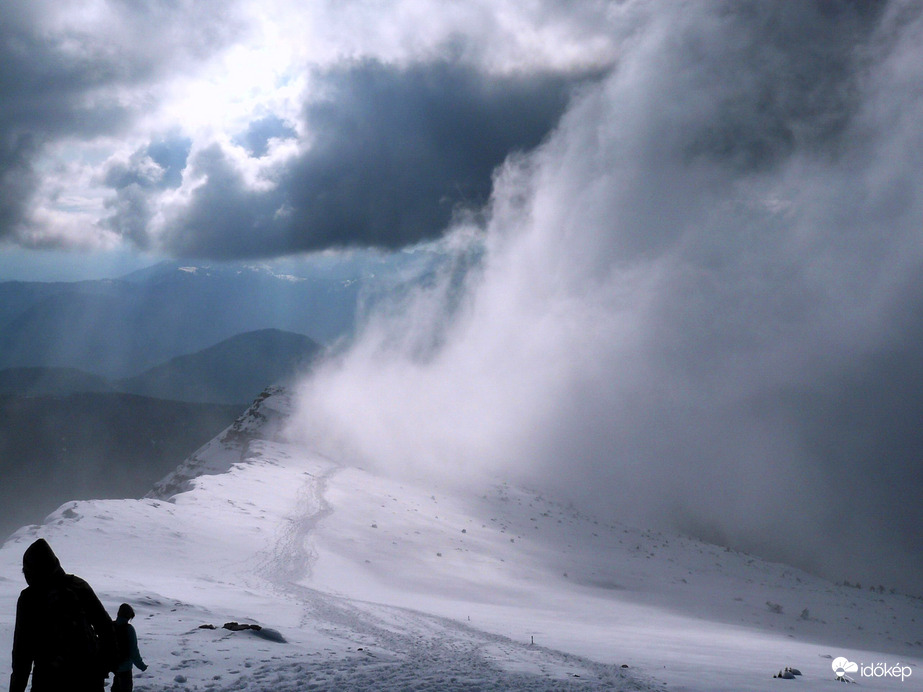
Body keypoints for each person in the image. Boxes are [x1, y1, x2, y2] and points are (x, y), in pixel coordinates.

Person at [9, 538, 115, 692]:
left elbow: (22, 651)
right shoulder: (78, 586)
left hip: (49, 680)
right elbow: (105, 627)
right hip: (88, 678)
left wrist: (16, 687)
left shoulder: (29, 598)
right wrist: (102, 667)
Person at [112, 603, 148, 691]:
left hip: (113, 665)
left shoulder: (111, 625)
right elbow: (134, 652)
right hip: (125, 667)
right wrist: (141, 666)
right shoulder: (129, 629)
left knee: (116, 687)